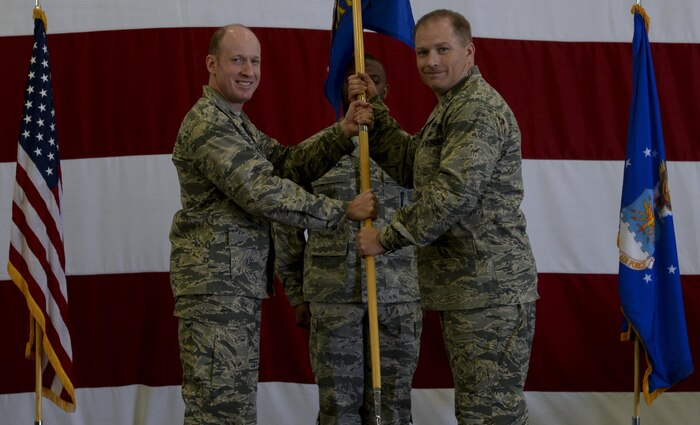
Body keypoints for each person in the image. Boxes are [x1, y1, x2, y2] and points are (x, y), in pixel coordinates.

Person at [169, 24, 378, 425]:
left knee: (232, 407)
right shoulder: (208, 124)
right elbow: (261, 191)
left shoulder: (234, 121)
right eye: (237, 60)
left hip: (232, 287)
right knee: (220, 410)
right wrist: (340, 211)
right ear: (212, 64)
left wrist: (342, 133)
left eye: (255, 61)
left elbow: (284, 164)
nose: (248, 70)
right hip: (217, 289)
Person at [352, 10, 539, 425]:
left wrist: (386, 237)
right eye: (422, 52)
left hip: (489, 291)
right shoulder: (452, 106)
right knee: (482, 413)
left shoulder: (474, 109)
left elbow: (453, 194)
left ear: (469, 51)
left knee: (489, 416)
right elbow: (412, 166)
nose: (431, 61)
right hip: (472, 289)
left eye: (442, 49)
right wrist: (377, 114)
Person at [274, 55, 422, 425]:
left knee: (392, 409)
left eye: (373, 79)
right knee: (338, 410)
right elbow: (287, 222)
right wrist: (296, 291)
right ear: (343, 89)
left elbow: (432, 218)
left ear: (385, 89)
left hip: (397, 299)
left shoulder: (410, 155)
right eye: (355, 79)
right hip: (332, 299)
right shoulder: (318, 152)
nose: (364, 85)